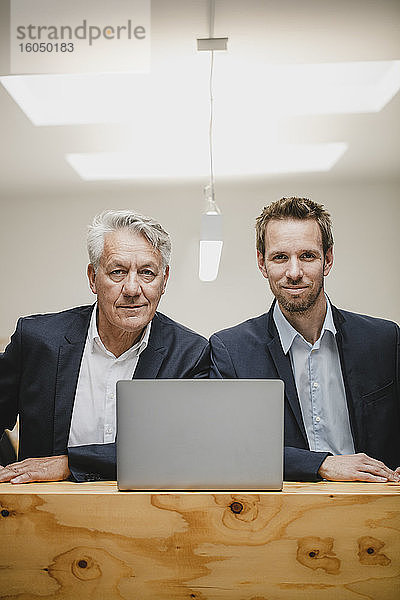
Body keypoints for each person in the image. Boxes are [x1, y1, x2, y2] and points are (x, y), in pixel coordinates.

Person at [0, 209, 210, 483]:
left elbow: (185, 451)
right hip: (40, 513)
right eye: (118, 272)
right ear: (93, 278)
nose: (133, 289)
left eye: (147, 272)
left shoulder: (190, 354)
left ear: (164, 280)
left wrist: (71, 464)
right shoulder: (37, 340)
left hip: (147, 516)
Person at [210, 197, 400, 482]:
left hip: (375, 507)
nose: (294, 272)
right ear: (262, 263)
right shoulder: (230, 351)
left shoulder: (384, 340)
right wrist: (321, 464)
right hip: (282, 514)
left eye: (307, 256)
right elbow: (226, 447)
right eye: (280, 257)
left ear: (328, 259)